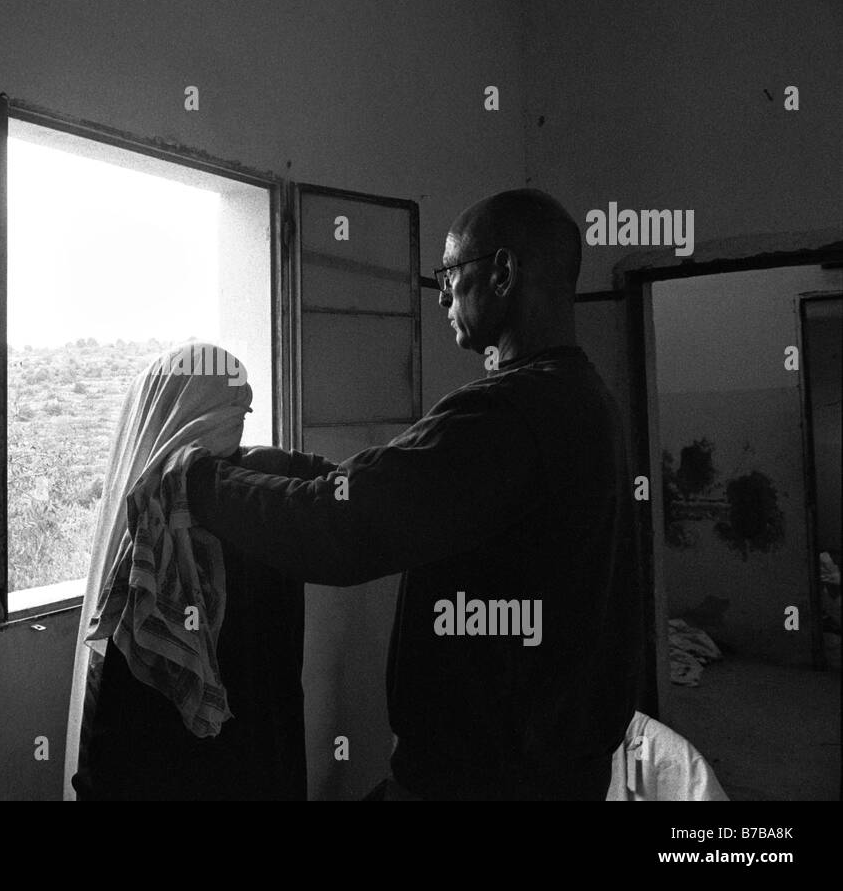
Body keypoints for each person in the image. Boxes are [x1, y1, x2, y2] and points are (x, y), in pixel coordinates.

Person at [186, 189, 643, 800]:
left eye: (450, 273)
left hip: (481, 782)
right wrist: (275, 465)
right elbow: (405, 489)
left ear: (503, 272)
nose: (443, 295)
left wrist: (197, 483)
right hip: (557, 770)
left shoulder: (505, 412)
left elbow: (342, 531)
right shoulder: (584, 400)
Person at [64, 342, 325, 800]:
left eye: (243, 407)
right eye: (233, 405)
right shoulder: (259, 500)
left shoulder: (160, 521)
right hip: (253, 763)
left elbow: (120, 717)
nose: (242, 416)